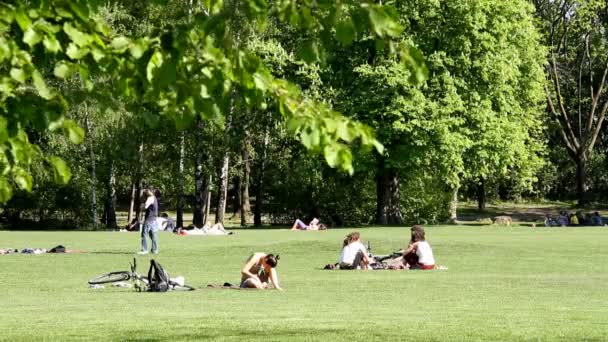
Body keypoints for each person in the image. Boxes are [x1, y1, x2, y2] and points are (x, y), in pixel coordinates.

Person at [139, 189, 159, 255]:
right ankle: (155, 250)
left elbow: (145, 206)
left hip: (149, 219)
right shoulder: (155, 198)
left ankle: (144, 250)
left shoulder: (150, 198)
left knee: (144, 234)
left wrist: (142, 206)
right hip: (154, 219)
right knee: (153, 235)